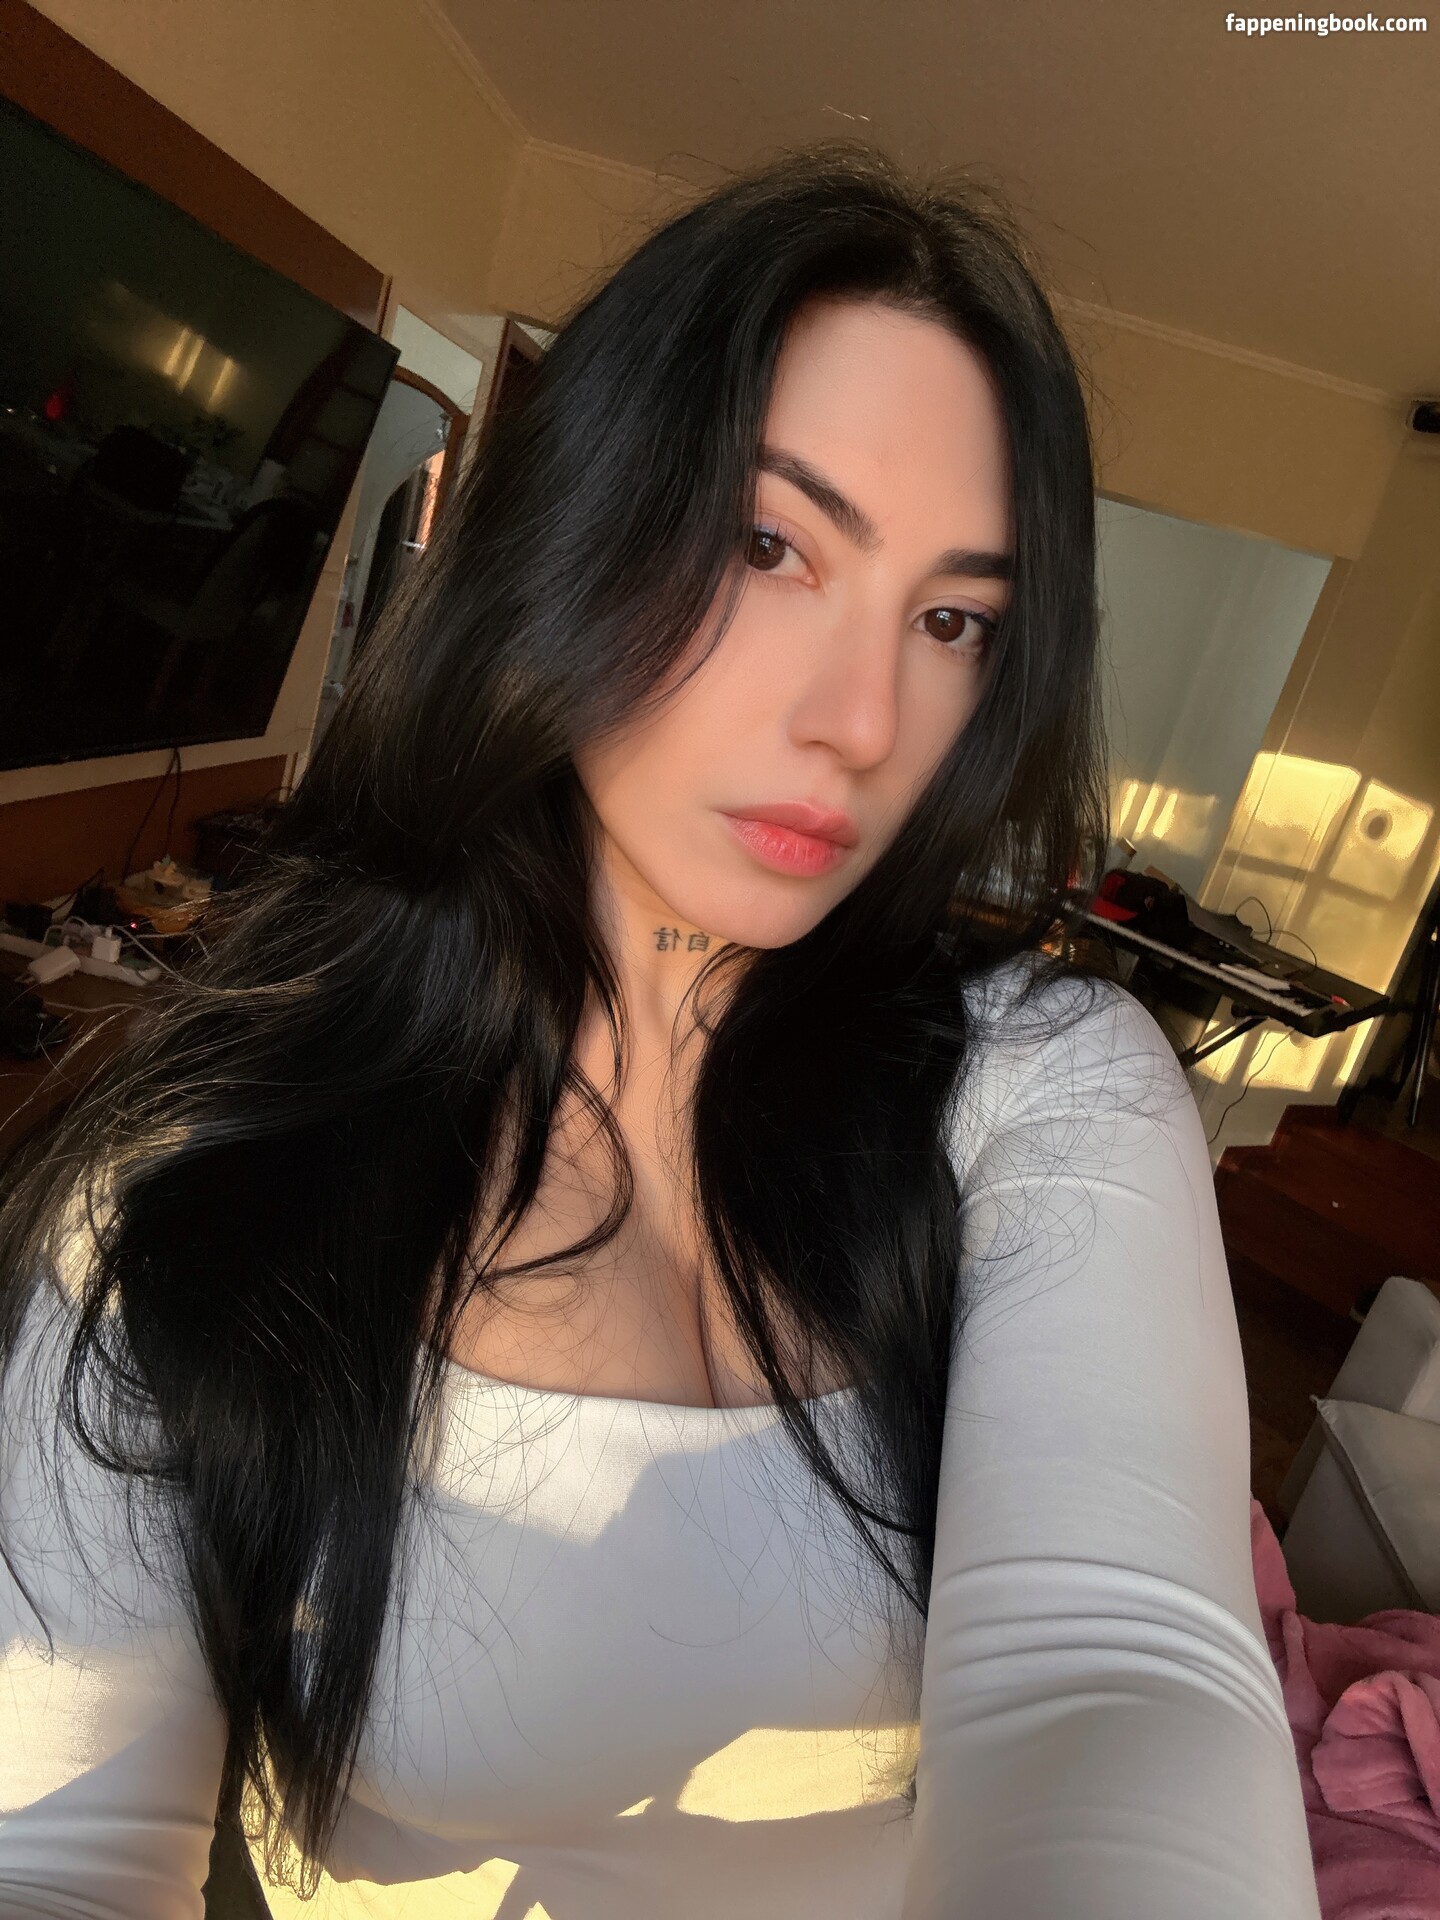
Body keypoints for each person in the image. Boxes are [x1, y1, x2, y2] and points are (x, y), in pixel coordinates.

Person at [0, 144, 1320, 1919]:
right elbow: (57, 1836)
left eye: (951, 620)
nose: (864, 720)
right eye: (771, 545)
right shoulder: (201, 1169)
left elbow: (1122, 1676)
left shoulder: (1040, 1083)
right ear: (575, 524)